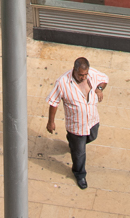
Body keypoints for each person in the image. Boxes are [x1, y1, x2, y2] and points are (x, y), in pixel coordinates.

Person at [46, 56, 109, 189]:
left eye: (85, 74)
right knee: (80, 153)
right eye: (81, 75)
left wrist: (99, 88)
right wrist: (51, 122)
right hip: (76, 126)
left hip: (92, 121)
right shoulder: (62, 82)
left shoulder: (91, 75)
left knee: (93, 136)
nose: (84, 77)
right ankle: (79, 174)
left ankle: (73, 144)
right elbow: (53, 102)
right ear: (74, 70)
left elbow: (104, 79)